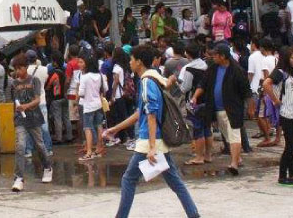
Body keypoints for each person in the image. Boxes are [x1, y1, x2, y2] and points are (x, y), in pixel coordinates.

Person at [104, 45, 200, 218]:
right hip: (158, 140)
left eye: (132, 59)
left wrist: (152, 147)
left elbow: (151, 115)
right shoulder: (154, 78)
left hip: (149, 141)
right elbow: (140, 113)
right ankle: (194, 215)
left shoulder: (147, 81)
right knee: (175, 181)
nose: (130, 62)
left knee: (128, 179)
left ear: (139, 62)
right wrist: (115, 128)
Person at [197, 44, 251, 176]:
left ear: (223, 56)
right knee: (227, 135)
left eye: (216, 54)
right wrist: (194, 97)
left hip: (233, 109)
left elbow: (246, 91)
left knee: (234, 135)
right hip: (217, 108)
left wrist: (250, 107)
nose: (213, 56)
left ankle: (233, 163)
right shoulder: (213, 69)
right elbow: (203, 84)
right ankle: (237, 157)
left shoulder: (237, 71)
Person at [8, 54, 53, 192]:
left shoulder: (35, 80)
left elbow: (37, 100)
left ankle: (47, 167)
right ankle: (19, 178)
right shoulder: (13, 84)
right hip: (20, 119)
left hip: (33, 117)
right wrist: (16, 111)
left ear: (26, 67)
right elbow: (13, 101)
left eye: (20, 68)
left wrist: (25, 107)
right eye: (15, 69)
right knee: (20, 146)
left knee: (39, 145)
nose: (18, 71)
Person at [263, 47, 293, 186]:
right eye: (292, 58)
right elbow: (266, 84)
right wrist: (275, 100)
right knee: (289, 146)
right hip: (286, 113)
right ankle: (282, 176)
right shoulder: (280, 72)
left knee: (292, 146)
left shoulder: (291, 73)